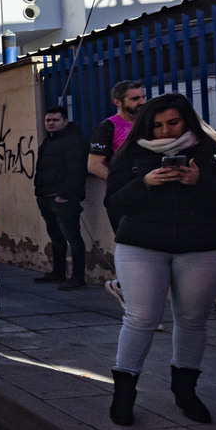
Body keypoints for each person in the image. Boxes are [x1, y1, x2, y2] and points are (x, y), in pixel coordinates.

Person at [104, 93, 216, 426]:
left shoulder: (213, 153)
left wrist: (199, 181)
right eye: (157, 125)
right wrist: (144, 183)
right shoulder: (130, 153)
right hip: (141, 245)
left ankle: (185, 391)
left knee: (192, 319)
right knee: (141, 317)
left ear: (187, 119)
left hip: (204, 247)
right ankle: (124, 394)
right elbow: (115, 203)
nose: (165, 131)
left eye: (172, 122)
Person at [86, 80, 146, 307]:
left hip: (152, 197)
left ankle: (124, 288)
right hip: (123, 198)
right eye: (135, 98)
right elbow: (93, 165)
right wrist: (123, 186)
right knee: (131, 249)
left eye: (142, 97)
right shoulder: (107, 127)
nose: (142, 102)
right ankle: (133, 302)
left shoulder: (150, 124)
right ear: (118, 102)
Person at [33, 106, 88, 290]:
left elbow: (76, 171)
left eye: (55, 120)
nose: (51, 123)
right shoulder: (48, 142)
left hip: (63, 199)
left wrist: (63, 196)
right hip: (46, 197)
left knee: (73, 237)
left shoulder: (74, 141)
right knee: (55, 236)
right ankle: (58, 272)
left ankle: (78, 277)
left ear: (65, 121)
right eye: (48, 120)